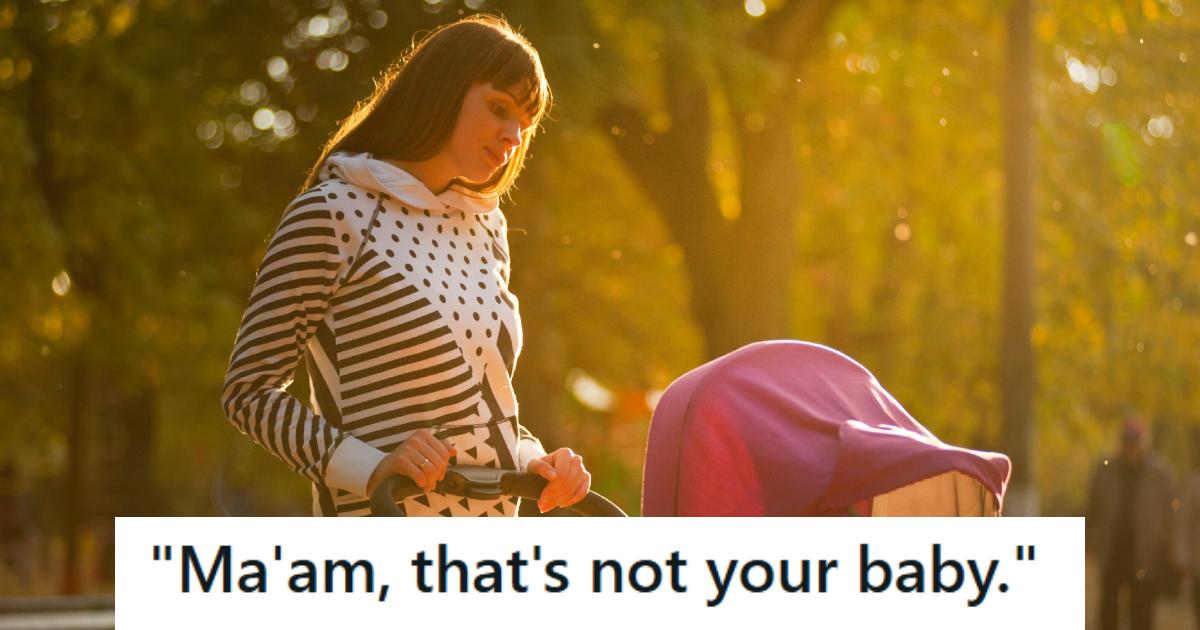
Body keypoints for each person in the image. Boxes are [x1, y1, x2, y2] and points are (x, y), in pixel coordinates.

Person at [220, 15, 590, 516]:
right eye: (499, 108)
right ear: (443, 89)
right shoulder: (332, 213)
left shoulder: (483, 227)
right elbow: (248, 391)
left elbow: (479, 404)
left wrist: (537, 459)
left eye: (523, 125)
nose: (512, 137)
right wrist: (368, 466)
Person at [1085, 417, 1177, 630]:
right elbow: (1092, 508)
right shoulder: (1105, 470)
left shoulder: (1160, 474)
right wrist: (1089, 540)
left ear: (1144, 444)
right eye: (1127, 442)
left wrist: (1168, 550)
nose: (1131, 448)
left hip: (1146, 553)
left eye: (1135, 443)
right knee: (1108, 608)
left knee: (1143, 612)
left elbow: (1170, 515)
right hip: (1113, 549)